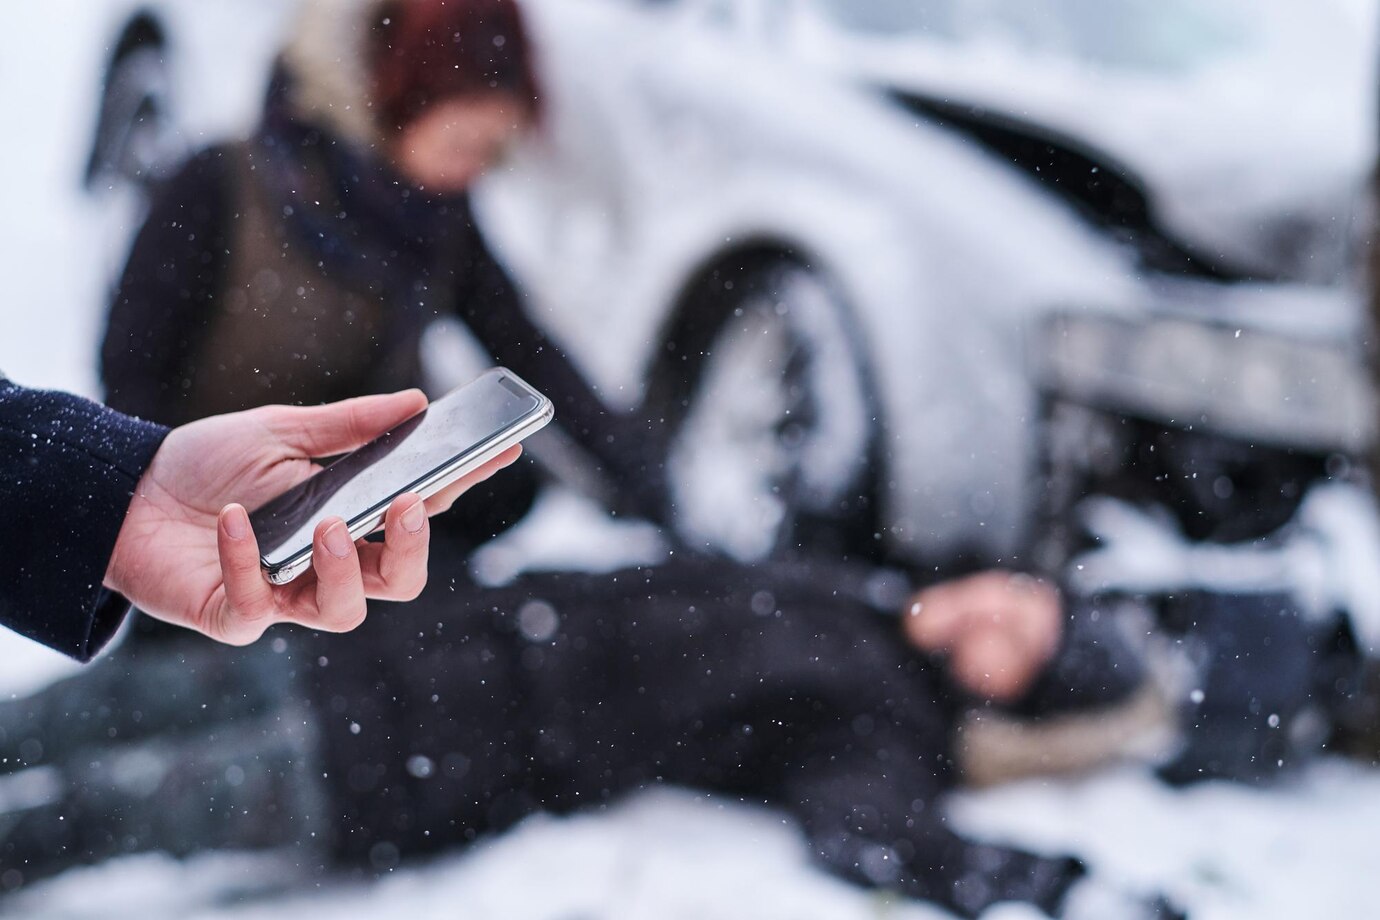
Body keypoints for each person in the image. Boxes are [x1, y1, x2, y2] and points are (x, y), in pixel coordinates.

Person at [0, 557, 1177, 920]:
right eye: (1010, 592)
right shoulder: (844, 587)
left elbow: (871, 829)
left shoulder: (885, 725)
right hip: (386, 647)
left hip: (414, 758)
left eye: (1015, 640)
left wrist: (1048, 886)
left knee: (117, 806)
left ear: (998, 691)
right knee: (86, 704)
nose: (986, 610)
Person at [0, 377, 517, 659]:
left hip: (205, 552)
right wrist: (128, 488)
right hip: (186, 563)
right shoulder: (227, 188)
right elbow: (135, 349)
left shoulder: (443, 234)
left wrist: (127, 493)